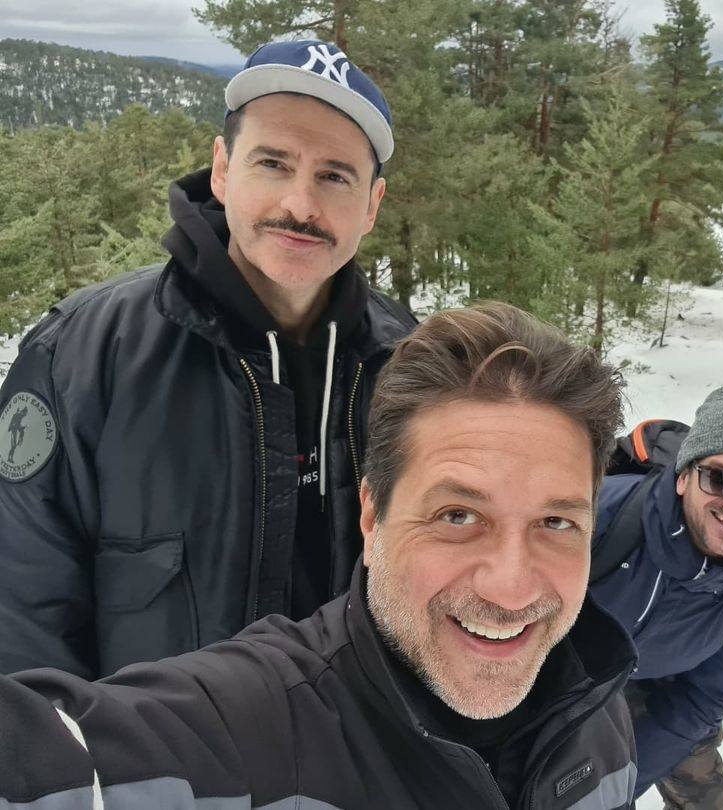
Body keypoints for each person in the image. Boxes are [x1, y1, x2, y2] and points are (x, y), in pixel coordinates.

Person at [0, 302, 638, 810]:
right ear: (371, 514)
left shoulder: (597, 712)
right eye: (458, 516)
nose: (510, 587)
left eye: (556, 522)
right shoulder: (246, 732)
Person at [0, 40, 417, 679]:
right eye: (273, 163)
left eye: (334, 176)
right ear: (222, 171)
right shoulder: (81, 357)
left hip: (359, 766)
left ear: (372, 205)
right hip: (153, 770)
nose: (301, 205)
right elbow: (22, 625)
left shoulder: (409, 366)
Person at [590, 384, 723, 809]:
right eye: (717, 477)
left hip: (659, 695)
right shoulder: (598, 516)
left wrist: (616, 788)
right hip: (555, 675)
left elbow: (706, 699)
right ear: (683, 477)